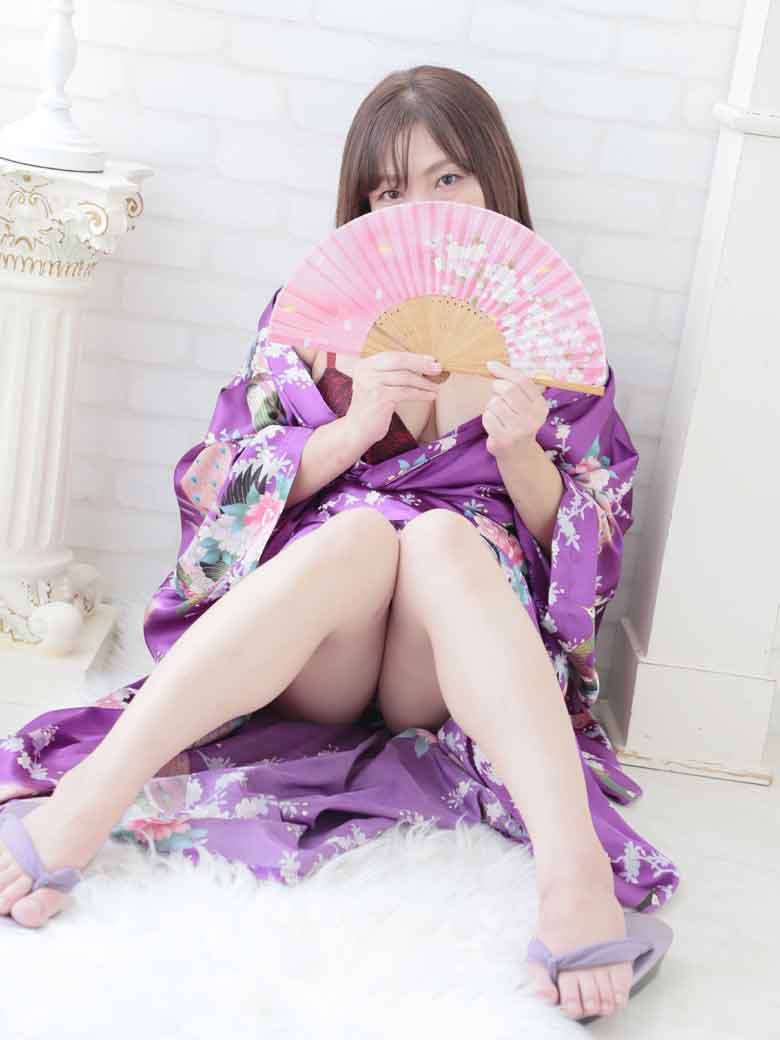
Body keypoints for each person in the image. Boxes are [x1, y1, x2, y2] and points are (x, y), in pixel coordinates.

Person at [0, 65, 679, 1022]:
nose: (420, 206)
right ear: (362, 205)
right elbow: (217, 489)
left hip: (449, 657)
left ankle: (573, 874)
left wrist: (520, 454)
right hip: (322, 641)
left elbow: (590, 554)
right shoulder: (311, 323)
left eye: (449, 178)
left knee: (441, 538)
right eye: (388, 190)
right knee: (362, 532)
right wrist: (353, 430)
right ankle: (92, 796)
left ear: (495, 179)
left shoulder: (553, 338)